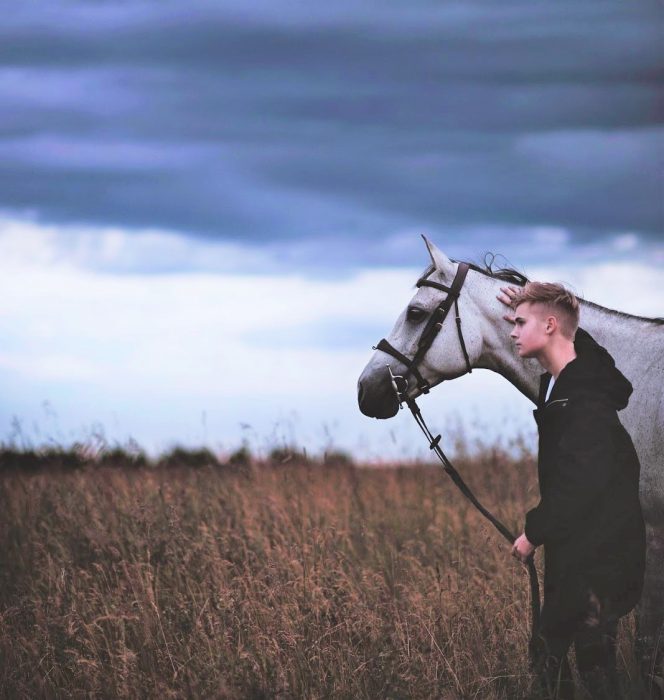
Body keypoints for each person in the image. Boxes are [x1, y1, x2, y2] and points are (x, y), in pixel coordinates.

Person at [497, 282, 646, 700]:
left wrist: (533, 533)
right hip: (578, 552)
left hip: (599, 559)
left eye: (520, 322)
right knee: (554, 656)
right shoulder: (562, 382)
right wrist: (547, 303)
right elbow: (575, 337)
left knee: (581, 665)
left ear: (548, 325)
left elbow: (581, 482)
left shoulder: (584, 396)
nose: (511, 331)